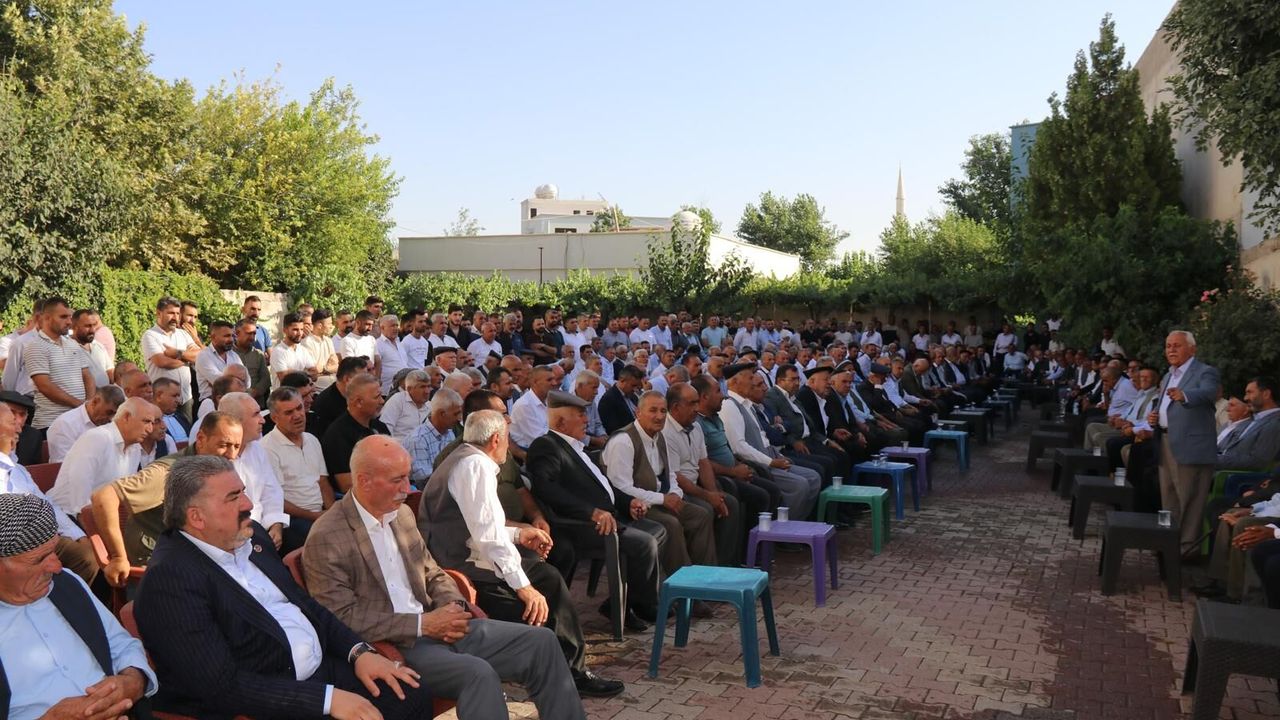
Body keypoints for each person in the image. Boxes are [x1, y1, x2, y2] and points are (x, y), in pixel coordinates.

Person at [305, 435, 586, 718]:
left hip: (440, 625)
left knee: (542, 642)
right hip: (397, 645)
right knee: (478, 673)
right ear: (364, 481)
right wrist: (423, 625)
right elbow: (340, 618)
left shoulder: (401, 515)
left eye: (407, 477)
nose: (407, 489)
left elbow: (432, 572)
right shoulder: (328, 535)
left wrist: (453, 607)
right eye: (397, 480)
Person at [134, 455, 432, 718]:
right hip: (265, 700)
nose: (249, 504)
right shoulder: (170, 581)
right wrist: (326, 700)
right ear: (197, 517)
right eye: (233, 497)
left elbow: (307, 606)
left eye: (244, 492)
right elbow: (220, 685)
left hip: (321, 671)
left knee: (409, 695)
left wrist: (359, 653)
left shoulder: (252, 536)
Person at [423, 409, 625, 697]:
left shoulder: (468, 459)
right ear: (496, 439)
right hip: (460, 566)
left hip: (467, 555)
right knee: (537, 594)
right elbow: (488, 537)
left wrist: (520, 534)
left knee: (548, 577)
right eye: (507, 438)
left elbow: (483, 527)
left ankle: (571, 670)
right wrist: (524, 587)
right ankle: (560, 674)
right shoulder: (475, 465)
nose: (509, 445)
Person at [0, 493, 158, 720]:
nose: (56, 566)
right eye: (39, 559)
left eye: (54, 551)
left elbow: (120, 644)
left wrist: (132, 681)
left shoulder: (66, 582)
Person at [526, 391, 665, 629]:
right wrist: (591, 512)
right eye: (580, 415)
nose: (586, 420)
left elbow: (603, 487)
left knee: (658, 530)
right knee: (645, 543)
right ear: (561, 422)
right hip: (579, 526)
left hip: (607, 518)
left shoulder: (577, 447)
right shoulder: (546, 446)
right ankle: (641, 605)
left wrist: (628, 502)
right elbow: (546, 489)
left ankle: (626, 601)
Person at [90, 411, 244, 584]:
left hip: (196, 559)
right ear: (201, 439)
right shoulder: (169, 473)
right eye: (224, 445)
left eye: (237, 447)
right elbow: (103, 497)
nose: (231, 454)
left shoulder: (215, 470)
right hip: (160, 572)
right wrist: (118, 557)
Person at [603, 390, 717, 573]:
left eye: (663, 411)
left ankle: (705, 575)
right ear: (638, 413)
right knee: (671, 524)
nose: (659, 416)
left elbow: (670, 473)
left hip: (660, 499)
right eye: (653, 410)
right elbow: (621, 488)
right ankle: (682, 582)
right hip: (634, 507)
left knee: (700, 515)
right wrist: (663, 499)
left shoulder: (659, 436)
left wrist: (675, 494)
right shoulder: (623, 441)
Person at [0, 402, 98, 583]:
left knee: (87, 556)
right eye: (12, 422)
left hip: (43, 534)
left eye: (21, 418)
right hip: (11, 545)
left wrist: (77, 535)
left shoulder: (18, 469)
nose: (19, 428)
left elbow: (46, 504)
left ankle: (60, 597)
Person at [1148, 330, 1221, 555]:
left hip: (1191, 446)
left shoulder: (1205, 371)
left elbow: (1209, 392)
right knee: (1169, 497)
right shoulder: (1168, 375)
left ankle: (1187, 549)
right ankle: (1167, 542)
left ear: (1192, 348)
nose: (1171, 350)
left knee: (1190, 499)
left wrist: (1186, 396)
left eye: (1177, 345)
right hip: (1165, 440)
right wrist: (1155, 416)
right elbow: (1165, 405)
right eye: (1168, 346)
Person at [47, 397, 155, 516]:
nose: (150, 429)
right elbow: (79, 497)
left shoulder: (135, 448)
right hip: (67, 515)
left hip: (104, 515)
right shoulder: (97, 438)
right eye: (146, 421)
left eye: (152, 423)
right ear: (126, 417)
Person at [262, 387, 332, 552]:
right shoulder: (267, 448)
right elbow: (275, 498)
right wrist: (315, 516)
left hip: (320, 511)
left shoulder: (312, 440)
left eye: (299, 408)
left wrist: (331, 512)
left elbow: (323, 482)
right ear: (274, 418)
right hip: (293, 518)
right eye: (288, 412)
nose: (298, 415)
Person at [218, 392, 289, 550]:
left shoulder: (257, 448)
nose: (263, 420)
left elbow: (271, 491)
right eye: (256, 414)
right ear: (235, 422)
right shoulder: (215, 458)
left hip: (263, 530)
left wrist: (276, 525)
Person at [25, 296, 95, 431]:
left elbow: (87, 377)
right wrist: (81, 406)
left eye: (70, 317)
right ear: (47, 318)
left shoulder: (72, 344)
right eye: (63, 317)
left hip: (78, 422)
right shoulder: (36, 346)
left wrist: (89, 405)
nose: (69, 322)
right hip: (51, 423)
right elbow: (45, 386)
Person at [321, 373, 389, 493]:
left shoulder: (380, 427)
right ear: (358, 402)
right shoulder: (337, 434)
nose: (382, 401)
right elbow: (347, 485)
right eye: (377, 397)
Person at [141, 296, 198, 419]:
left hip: (185, 398)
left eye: (177, 313)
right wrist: (187, 360)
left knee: (185, 430)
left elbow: (199, 355)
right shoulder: (150, 335)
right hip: (163, 399)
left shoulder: (183, 334)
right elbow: (162, 362)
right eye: (171, 313)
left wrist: (178, 353)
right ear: (159, 313)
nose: (175, 318)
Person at [46, 383, 125, 462]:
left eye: (115, 414)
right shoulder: (65, 424)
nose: (111, 418)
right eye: (109, 412)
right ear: (95, 402)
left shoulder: (112, 423)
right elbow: (62, 465)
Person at [405, 387, 461, 485]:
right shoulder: (418, 439)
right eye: (456, 414)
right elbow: (423, 478)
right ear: (442, 414)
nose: (459, 418)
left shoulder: (449, 432)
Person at [313, 355, 371, 439]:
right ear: (347, 379)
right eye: (361, 379)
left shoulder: (355, 396)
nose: (366, 382)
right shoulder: (325, 404)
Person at [194, 319, 244, 402]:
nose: (231, 339)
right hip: (211, 402)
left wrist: (227, 380)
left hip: (234, 401)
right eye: (227, 336)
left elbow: (246, 380)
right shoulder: (204, 356)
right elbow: (220, 384)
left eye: (232, 336)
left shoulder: (234, 355)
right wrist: (237, 380)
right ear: (213, 337)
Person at [508, 365, 554, 449]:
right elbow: (540, 440)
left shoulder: (548, 400)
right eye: (549, 380)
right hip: (529, 452)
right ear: (535, 382)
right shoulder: (524, 405)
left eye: (553, 379)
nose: (554, 383)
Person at [383, 368, 432, 442]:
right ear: (409, 389)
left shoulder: (430, 406)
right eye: (422, 387)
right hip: (399, 447)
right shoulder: (397, 401)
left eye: (428, 386)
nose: (427, 391)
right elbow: (385, 430)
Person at [271, 311, 319, 384]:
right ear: (285, 330)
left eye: (301, 329)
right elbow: (285, 380)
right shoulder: (278, 352)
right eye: (295, 330)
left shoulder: (302, 350)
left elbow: (315, 375)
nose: (300, 333)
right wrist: (306, 373)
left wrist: (293, 372)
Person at [599, 364, 643, 435]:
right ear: (622, 380)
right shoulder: (608, 400)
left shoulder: (633, 396)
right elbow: (613, 429)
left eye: (637, 386)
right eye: (633, 385)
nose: (635, 389)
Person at [373, 315, 406, 395]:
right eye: (392, 326)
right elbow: (375, 367)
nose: (395, 328)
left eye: (397, 325)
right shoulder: (377, 344)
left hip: (402, 390)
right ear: (382, 328)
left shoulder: (400, 343)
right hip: (386, 391)